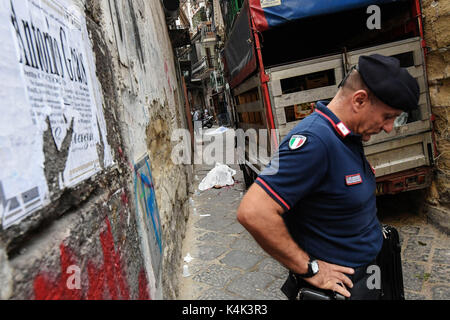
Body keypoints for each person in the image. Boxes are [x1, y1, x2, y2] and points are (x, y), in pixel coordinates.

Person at [236, 54, 419, 300]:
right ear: (359, 100)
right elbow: (254, 212)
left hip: (370, 279)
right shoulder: (313, 142)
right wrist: (309, 267)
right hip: (340, 290)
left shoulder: (346, 135)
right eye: (387, 116)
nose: (388, 127)